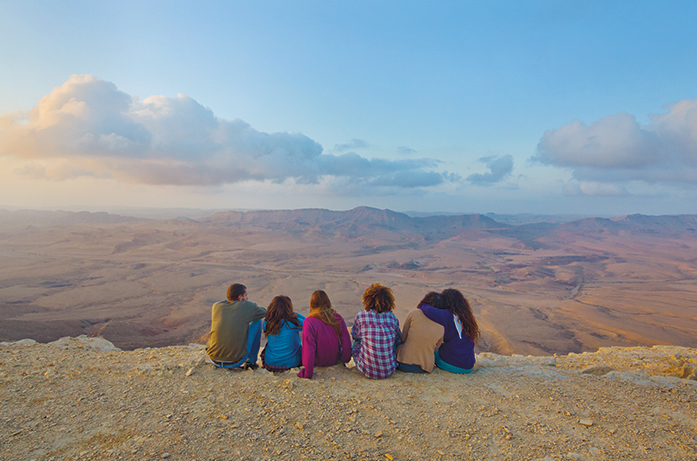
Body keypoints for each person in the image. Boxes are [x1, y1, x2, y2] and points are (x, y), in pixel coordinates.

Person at [418, 288, 480, 373]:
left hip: (450, 364)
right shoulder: (467, 319)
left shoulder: (448, 316)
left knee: (431, 350)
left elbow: (426, 308)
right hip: (468, 366)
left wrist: (424, 303)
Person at [205, 283, 266, 369]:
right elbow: (264, 312)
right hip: (235, 361)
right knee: (257, 321)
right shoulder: (245, 306)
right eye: (245, 296)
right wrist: (250, 305)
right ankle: (251, 362)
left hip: (214, 359)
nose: (247, 298)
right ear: (240, 297)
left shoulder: (216, 306)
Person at [351, 283, 402, 379]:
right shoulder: (392, 318)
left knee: (356, 340)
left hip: (365, 370)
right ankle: (386, 361)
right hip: (389, 371)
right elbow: (399, 338)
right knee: (394, 339)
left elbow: (355, 336)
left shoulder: (361, 316)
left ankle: (367, 361)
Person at [297, 290, 352, 379]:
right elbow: (346, 341)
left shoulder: (309, 321)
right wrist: (344, 359)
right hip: (334, 359)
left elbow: (309, 349)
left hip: (317, 362)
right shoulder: (337, 317)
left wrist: (307, 373)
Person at [396, 292, 445, 373]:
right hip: (424, 367)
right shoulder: (442, 325)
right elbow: (435, 349)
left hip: (403, 363)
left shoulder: (414, 313)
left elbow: (403, 339)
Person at [261, 295, 305, 372]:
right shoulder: (293, 322)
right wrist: (293, 314)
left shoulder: (267, 323)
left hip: (271, 364)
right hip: (292, 363)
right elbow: (308, 322)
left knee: (268, 346)